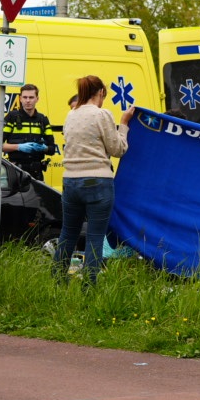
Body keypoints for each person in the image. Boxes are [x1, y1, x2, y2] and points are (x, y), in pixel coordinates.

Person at [55, 75, 135, 285]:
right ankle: (90, 285)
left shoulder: (70, 115)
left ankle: (57, 280)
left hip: (70, 181)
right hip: (97, 181)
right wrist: (124, 125)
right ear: (100, 93)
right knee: (95, 236)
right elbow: (118, 149)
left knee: (68, 234)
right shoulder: (102, 114)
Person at [2, 83, 56, 180]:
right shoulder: (12, 117)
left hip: (37, 173)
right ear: (20, 98)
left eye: (31, 97)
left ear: (37, 99)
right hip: (16, 171)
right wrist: (18, 147)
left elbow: (52, 149)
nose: (28, 101)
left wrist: (43, 148)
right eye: (25, 97)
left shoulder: (43, 120)